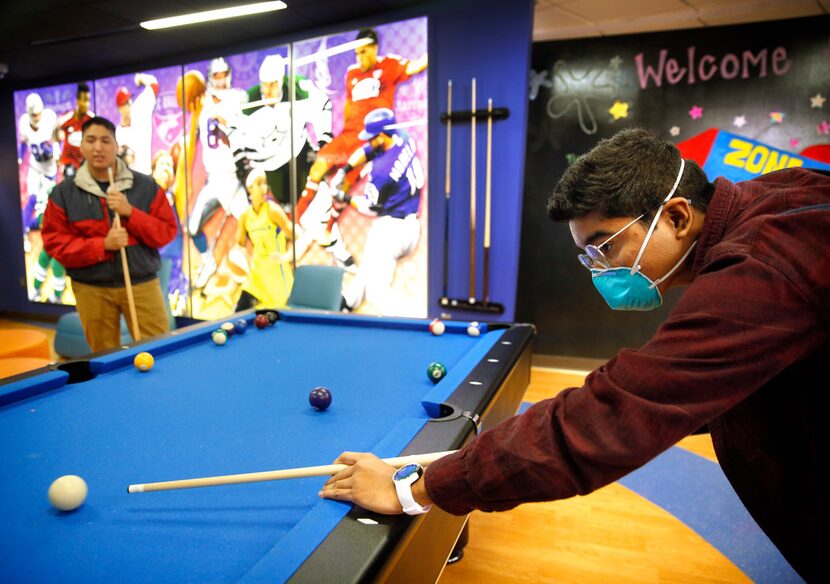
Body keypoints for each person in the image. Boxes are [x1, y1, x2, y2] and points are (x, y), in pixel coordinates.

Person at [319, 128, 828, 582]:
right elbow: (683, 390)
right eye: (587, 256)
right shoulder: (780, 196)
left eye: (605, 248)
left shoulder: (758, 265)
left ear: (675, 216)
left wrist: (416, 489)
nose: (598, 270)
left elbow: (617, 415)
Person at [41, 117, 178, 353]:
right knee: (105, 356)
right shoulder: (63, 194)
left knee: (159, 351)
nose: (98, 147)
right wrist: (103, 245)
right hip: (91, 288)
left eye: (105, 140)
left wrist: (130, 213)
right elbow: (55, 244)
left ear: (116, 145)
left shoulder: (145, 186)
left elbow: (166, 232)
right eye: (91, 140)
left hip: (141, 284)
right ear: (82, 146)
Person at [294, 28, 427, 264]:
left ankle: (328, 227)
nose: (360, 58)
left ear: (374, 49)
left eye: (364, 52)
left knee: (341, 185)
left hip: (369, 139)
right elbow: (347, 104)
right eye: (357, 53)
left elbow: (416, 66)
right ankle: (295, 218)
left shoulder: (388, 66)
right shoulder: (352, 73)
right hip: (348, 134)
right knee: (317, 168)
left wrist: (438, 47)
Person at [334, 108, 424, 315]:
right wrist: (345, 170)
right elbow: (368, 150)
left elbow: (370, 208)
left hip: (395, 230)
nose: (370, 141)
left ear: (383, 136)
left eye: (373, 138)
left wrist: (345, 198)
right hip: (410, 223)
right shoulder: (402, 136)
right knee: (371, 256)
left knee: (377, 295)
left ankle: (418, 318)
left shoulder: (382, 171)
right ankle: (348, 302)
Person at [232, 168, 297, 311]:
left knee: (276, 316)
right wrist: (242, 255)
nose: (264, 188)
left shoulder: (272, 210)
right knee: (238, 311)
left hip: (277, 273)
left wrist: (286, 256)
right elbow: (239, 244)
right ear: (249, 188)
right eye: (259, 184)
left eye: (265, 183)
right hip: (257, 275)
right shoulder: (245, 216)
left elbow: (297, 236)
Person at [115, 73, 158, 175]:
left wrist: (140, 77)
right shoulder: (118, 133)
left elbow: (154, 85)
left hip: (146, 174)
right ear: (119, 108)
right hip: (130, 178)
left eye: (129, 100)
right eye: (125, 103)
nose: (129, 104)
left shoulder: (140, 113)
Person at [57, 82, 93, 180]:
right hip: (69, 163)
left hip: (86, 164)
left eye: (89, 100)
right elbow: (56, 133)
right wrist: (57, 153)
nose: (87, 104)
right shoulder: (67, 118)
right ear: (77, 101)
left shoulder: (92, 120)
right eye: (84, 100)